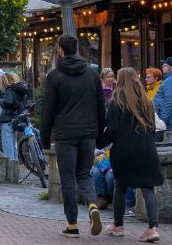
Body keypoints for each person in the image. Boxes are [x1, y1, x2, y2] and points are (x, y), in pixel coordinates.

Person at [40, 34, 106, 239]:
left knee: (67, 178)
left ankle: (72, 225)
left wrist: (44, 137)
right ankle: (93, 204)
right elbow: (100, 106)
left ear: (60, 49)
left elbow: (48, 110)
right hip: (88, 132)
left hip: (65, 134)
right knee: (84, 173)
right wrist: (99, 133)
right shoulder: (91, 74)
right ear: (76, 49)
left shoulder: (54, 76)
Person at [99, 68, 163, 242]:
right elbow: (153, 129)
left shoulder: (117, 101)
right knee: (147, 188)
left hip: (124, 151)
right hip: (146, 150)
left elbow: (111, 130)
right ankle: (153, 228)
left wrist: (98, 142)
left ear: (120, 80)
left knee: (120, 186)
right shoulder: (147, 101)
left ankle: (118, 226)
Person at [0, 71, 31, 160]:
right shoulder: (20, 89)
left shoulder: (10, 89)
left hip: (8, 120)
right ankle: (15, 166)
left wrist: (1, 102)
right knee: (14, 145)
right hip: (16, 120)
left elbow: (8, 102)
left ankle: (11, 169)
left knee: (8, 146)